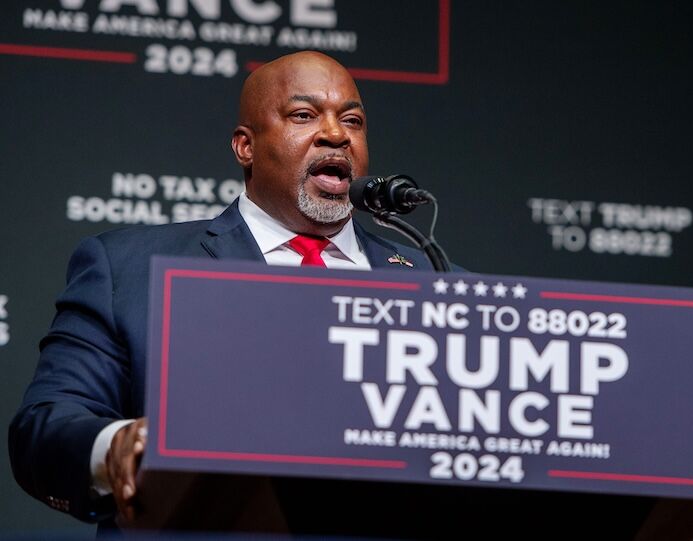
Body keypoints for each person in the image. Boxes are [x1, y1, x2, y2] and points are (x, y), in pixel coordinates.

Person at [8, 51, 436, 529]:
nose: (336, 134)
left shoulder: (437, 284)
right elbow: (45, 428)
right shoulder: (130, 269)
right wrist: (117, 446)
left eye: (352, 120)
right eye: (304, 115)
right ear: (244, 147)